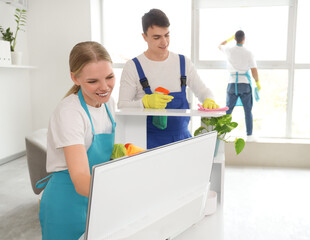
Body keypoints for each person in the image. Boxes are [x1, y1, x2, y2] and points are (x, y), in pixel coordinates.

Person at [36, 41, 117, 240]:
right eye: (93, 81)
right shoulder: (70, 112)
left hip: (95, 195)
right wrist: (121, 195)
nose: (105, 87)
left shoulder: (108, 104)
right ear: (75, 77)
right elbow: (81, 178)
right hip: (67, 203)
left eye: (109, 77)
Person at [118, 8, 219, 149]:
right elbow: (122, 105)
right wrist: (144, 102)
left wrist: (209, 99)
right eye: (157, 37)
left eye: (167, 35)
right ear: (144, 37)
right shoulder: (133, 67)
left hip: (182, 141)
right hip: (146, 144)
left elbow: (204, 92)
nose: (164, 42)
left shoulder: (183, 63)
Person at [218, 30, 260, 139]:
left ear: (235, 39)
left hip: (232, 84)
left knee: (228, 111)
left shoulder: (229, 50)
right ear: (244, 39)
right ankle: (249, 135)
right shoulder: (248, 53)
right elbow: (254, 70)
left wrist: (229, 39)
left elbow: (220, 45)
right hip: (245, 84)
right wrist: (257, 82)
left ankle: (221, 134)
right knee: (247, 111)